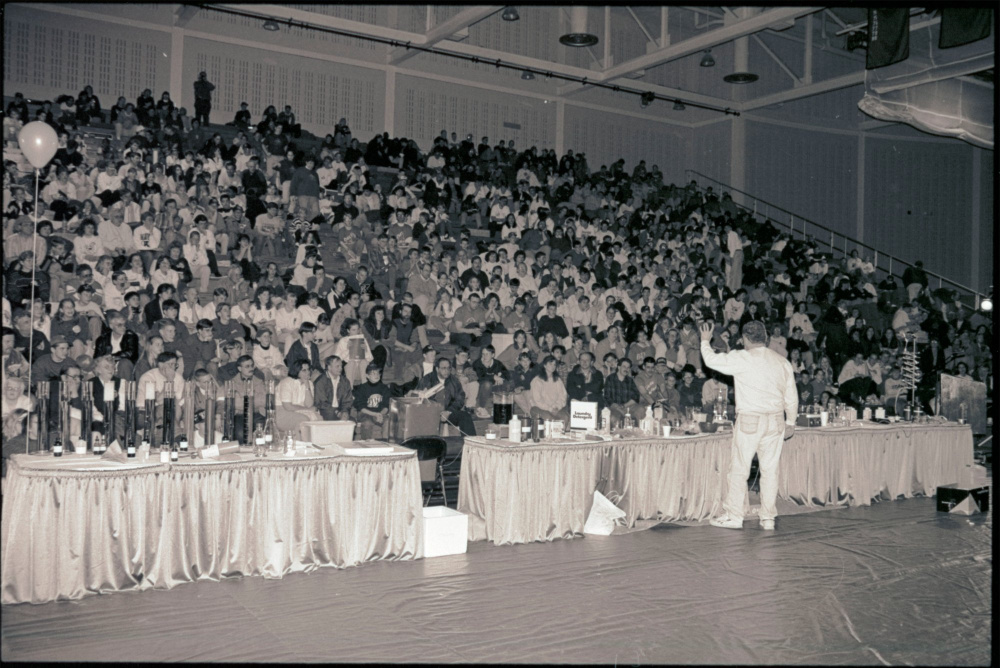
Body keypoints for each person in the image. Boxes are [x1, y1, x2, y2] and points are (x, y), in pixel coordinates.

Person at [700, 320, 797, 532]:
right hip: (775, 420)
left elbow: (710, 361)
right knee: (770, 471)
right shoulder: (782, 361)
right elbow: (791, 395)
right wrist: (790, 421)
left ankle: (735, 516)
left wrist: (705, 341)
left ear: (744, 339)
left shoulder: (742, 357)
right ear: (766, 338)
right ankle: (768, 518)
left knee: (739, 469)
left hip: (750, 419)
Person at [352, 362, 392, 439]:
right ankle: (366, 445)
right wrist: (375, 414)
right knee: (367, 423)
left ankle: (385, 443)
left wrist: (380, 414)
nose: (377, 375)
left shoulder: (384, 388)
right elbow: (361, 407)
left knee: (388, 421)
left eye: (378, 373)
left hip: (380, 413)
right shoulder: (362, 388)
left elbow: (386, 405)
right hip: (366, 414)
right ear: (367, 376)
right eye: (373, 374)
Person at [314, 355, 354, 421]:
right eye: (337, 366)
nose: (340, 368)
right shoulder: (320, 381)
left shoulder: (345, 381)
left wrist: (345, 412)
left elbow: (347, 401)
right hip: (325, 412)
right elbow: (321, 403)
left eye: (341, 366)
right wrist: (337, 412)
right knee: (335, 421)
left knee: (353, 422)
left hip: (340, 411)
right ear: (329, 367)